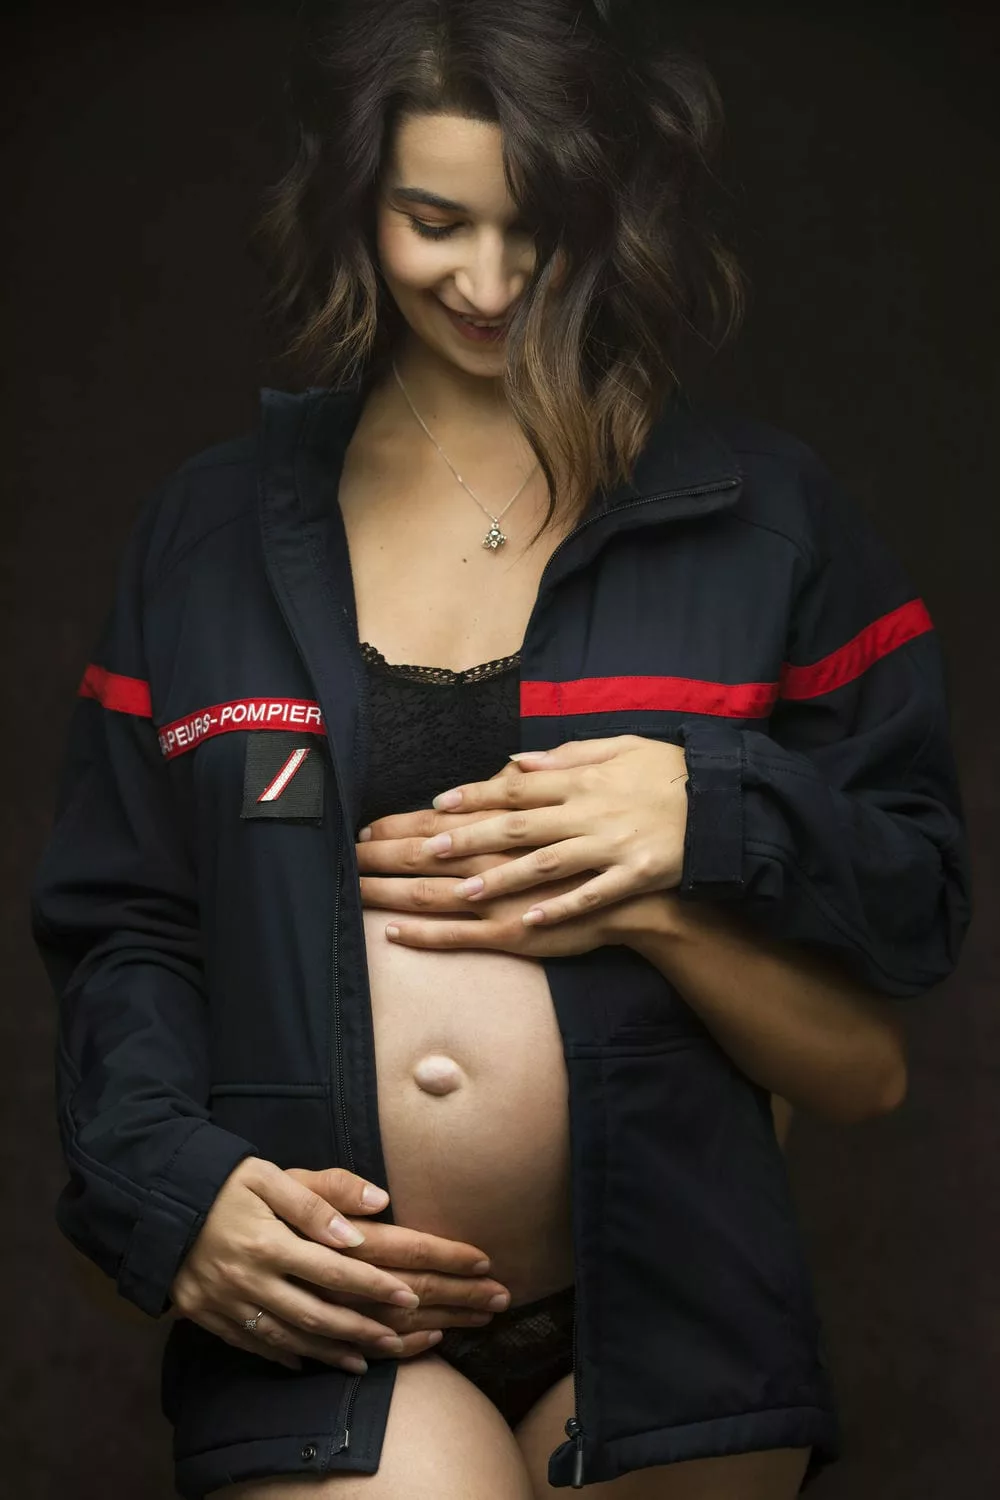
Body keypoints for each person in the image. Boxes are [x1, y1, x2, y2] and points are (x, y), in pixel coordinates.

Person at [30, 2, 970, 1497]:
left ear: (609, 211)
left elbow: (908, 927)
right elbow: (127, 928)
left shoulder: (767, 517)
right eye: (432, 220)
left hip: (681, 1302)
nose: (486, 281)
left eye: (533, 225)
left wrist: (695, 820)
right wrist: (172, 1188)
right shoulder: (206, 536)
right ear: (356, 204)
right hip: (331, 1320)